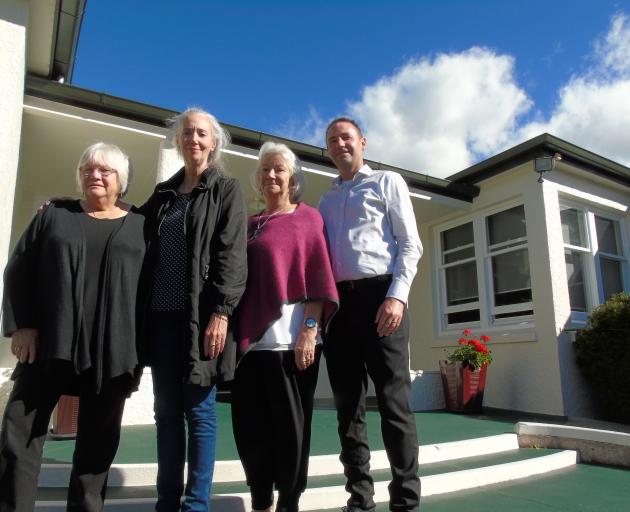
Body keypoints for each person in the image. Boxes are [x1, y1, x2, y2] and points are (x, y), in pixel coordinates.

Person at [0, 142, 146, 511]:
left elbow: (150, 289)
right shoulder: (54, 214)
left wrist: (141, 351)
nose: (94, 175)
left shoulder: (142, 226)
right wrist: (22, 326)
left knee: (96, 451)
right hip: (48, 343)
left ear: (121, 180)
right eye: (88, 169)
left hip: (111, 351)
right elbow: (20, 269)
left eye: (104, 170)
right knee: (19, 433)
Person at [142, 107, 247, 511]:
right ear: (178, 140)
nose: (194, 140)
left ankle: (196, 505)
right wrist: (78, 204)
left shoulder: (225, 189)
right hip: (160, 321)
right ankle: (166, 502)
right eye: (187, 133)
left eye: (202, 133)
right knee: (166, 414)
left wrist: (221, 312)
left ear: (214, 141)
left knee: (200, 414)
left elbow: (232, 256)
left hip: (201, 321)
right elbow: (132, 229)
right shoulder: (164, 194)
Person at [318, 118, 423, 512]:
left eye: (346, 137)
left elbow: (411, 245)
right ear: (328, 150)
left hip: (383, 299)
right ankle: (359, 500)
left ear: (362, 141)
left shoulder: (387, 182)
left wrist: (397, 297)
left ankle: (406, 502)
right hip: (341, 307)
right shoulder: (325, 201)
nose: (339, 143)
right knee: (348, 407)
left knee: (394, 404)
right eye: (332, 140)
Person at [231, 142, 338, 512]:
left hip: (291, 342)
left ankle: (288, 501)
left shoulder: (307, 218)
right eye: (265, 170)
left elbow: (319, 277)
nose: (271, 175)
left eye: (278, 169)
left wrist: (310, 330)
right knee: (250, 427)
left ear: (293, 177)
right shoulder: (247, 225)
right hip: (250, 345)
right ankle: (260, 496)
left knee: (291, 428)